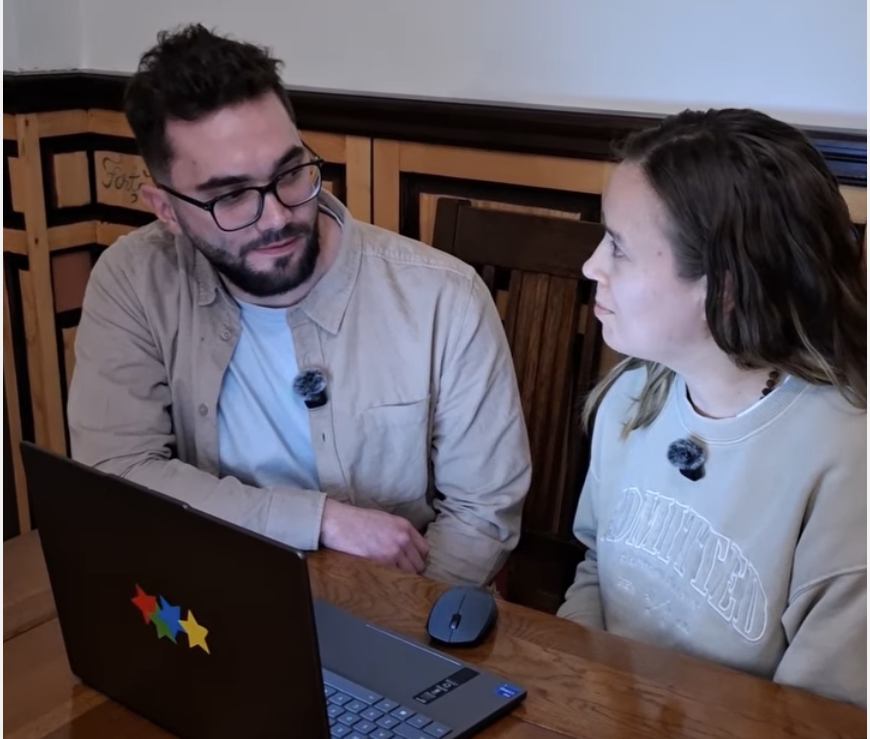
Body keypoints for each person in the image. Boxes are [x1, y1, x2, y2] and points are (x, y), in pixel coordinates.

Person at [67, 24, 531, 587]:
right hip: (207, 593)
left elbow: (482, 515)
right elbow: (118, 471)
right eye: (231, 196)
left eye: (289, 173)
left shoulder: (443, 297)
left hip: (397, 606)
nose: (277, 216)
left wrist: (399, 627)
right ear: (165, 209)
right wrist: (320, 521)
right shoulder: (133, 280)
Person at [556, 108, 866, 707]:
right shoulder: (629, 396)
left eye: (618, 247)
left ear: (723, 287)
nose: (591, 264)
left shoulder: (847, 457)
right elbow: (595, 572)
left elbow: (819, 715)